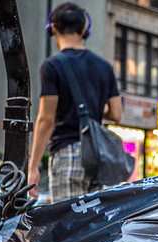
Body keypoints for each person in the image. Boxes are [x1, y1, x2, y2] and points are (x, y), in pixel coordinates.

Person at [27, 2, 122, 203]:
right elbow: (116, 114)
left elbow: (46, 119)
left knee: (69, 228)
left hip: (68, 153)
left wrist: (33, 165)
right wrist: (92, 108)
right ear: (84, 30)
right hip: (98, 156)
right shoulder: (104, 67)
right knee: (94, 226)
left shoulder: (52, 66)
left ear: (52, 28)